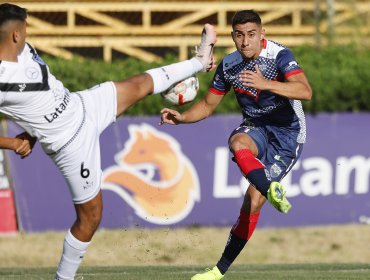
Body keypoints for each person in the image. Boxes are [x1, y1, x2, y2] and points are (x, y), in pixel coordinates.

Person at [0, 3, 217, 279]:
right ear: (16, 35)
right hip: (71, 144)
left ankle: (200, 60)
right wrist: (11, 142)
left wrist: (30, 133)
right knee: (90, 218)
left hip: (82, 104)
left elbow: (37, 104)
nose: (28, 34)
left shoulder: (24, 52)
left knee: (139, 85)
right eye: (25, 29)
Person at [160, 9, 312, 280]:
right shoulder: (230, 65)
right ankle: (218, 272)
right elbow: (207, 105)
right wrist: (181, 117)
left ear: (262, 34)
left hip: (288, 133)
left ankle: (221, 267)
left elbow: (305, 91)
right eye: (239, 36)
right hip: (256, 126)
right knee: (237, 141)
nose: (245, 42)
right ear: (233, 37)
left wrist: (266, 84)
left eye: (251, 35)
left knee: (252, 203)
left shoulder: (279, 56)